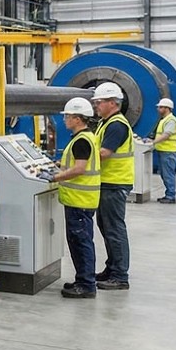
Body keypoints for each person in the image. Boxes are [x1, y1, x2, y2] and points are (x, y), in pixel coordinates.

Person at [44, 97, 100, 299]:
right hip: (82, 199)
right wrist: (59, 165)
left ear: (78, 118)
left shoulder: (81, 140)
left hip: (79, 200)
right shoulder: (86, 137)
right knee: (81, 241)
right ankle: (83, 280)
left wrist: (54, 176)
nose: (65, 119)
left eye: (68, 116)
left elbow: (79, 168)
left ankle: (86, 285)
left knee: (81, 242)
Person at [90, 82, 133, 291]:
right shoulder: (105, 122)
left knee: (114, 229)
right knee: (106, 227)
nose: (97, 105)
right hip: (107, 183)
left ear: (112, 103)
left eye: (99, 102)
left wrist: (78, 162)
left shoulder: (116, 125)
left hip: (114, 184)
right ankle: (112, 268)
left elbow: (104, 153)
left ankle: (120, 276)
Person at [150, 97, 176, 204]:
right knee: (164, 174)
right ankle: (169, 194)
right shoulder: (164, 120)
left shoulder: (171, 120)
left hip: (168, 151)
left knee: (168, 174)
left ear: (167, 108)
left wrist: (152, 142)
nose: (158, 109)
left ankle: (171, 196)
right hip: (164, 151)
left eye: (160, 107)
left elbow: (166, 135)